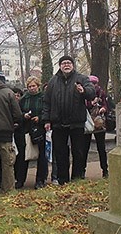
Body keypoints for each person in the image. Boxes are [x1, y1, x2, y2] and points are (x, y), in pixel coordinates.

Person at [42, 56, 95, 185]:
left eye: (69, 63)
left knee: (78, 152)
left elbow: (91, 92)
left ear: (73, 65)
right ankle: (62, 180)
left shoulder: (81, 78)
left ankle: (77, 178)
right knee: (60, 153)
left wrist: (84, 91)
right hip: (58, 123)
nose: (66, 65)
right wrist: (46, 120)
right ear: (60, 66)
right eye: (64, 63)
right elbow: (46, 102)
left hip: (76, 123)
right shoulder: (53, 81)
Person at [16, 76, 48, 189]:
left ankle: (40, 179)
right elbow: (19, 112)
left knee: (41, 155)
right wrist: (24, 115)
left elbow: (47, 111)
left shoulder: (43, 97)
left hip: (40, 129)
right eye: (29, 86)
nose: (31, 88)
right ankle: (20, 180)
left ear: (38, 86)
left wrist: (40, 118)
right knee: (24, 155)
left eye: (34, 86)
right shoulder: (24, 98)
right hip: (27, 129)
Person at [83, 75, 109, 178]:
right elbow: (83, 105)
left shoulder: (101, 92)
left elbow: (106, 104)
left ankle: (105, 169)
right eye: (91, 83)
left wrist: (103, 108)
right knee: (84, 148)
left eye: (95, 83)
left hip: (99, 123)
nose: (93, 86)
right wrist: (90, 104)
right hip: (87, 122)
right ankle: (82, 170)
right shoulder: (85, 93)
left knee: (101, 147)